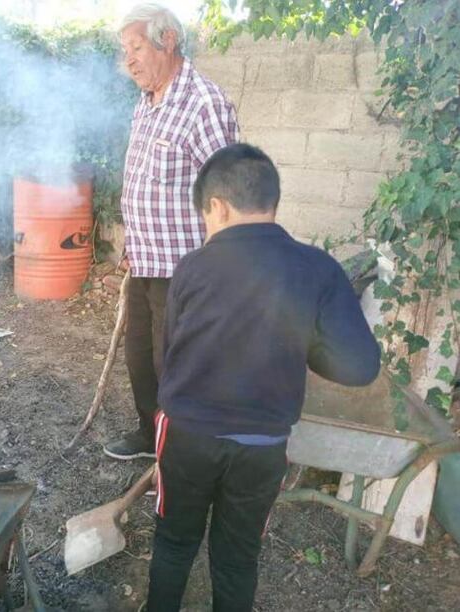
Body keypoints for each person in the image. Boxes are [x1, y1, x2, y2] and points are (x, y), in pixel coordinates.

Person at [146, 143, 381, 611]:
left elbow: (169, 353)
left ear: (217, 206)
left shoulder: (193, 267)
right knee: (237, 558)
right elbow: (360, 367)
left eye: (205, 218)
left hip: (187, 434)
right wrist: (306, 347)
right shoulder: (318, 268)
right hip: (262, 446)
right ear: (271, 202)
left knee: (174, 542)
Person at [103, 4, 239, 460]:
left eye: (137, 48)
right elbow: (146, 183)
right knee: (141, 359)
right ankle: (151, 435)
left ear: (168, 41)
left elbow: (229, 194)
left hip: (184, 269)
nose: (130, 61)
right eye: (125, 52)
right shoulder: (146, 104)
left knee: (178, 368)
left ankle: (183, 455)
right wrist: (130, 245)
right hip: (145, 261)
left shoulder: (204, 104)